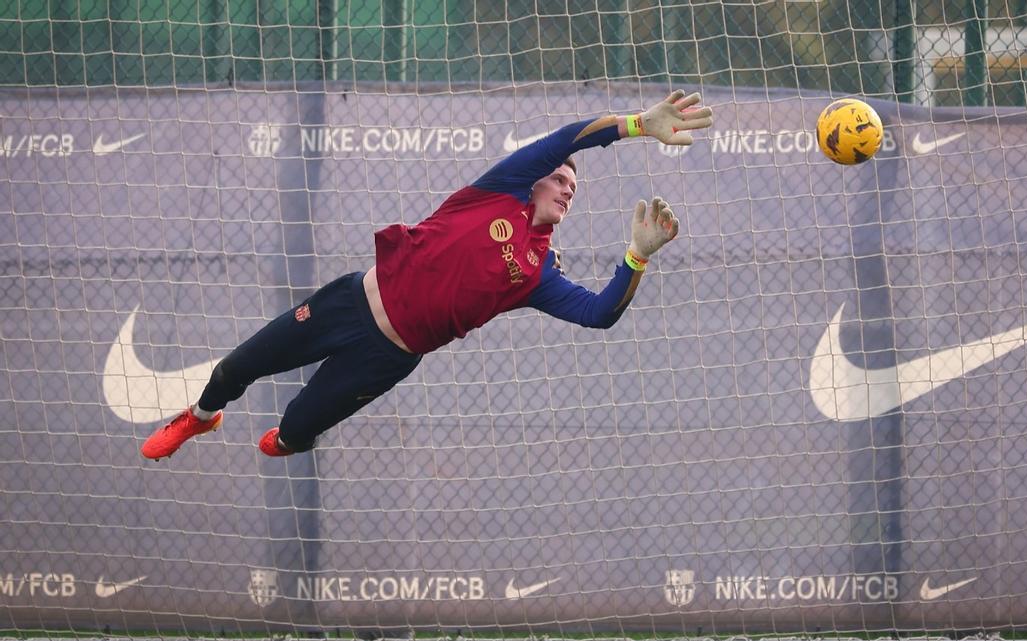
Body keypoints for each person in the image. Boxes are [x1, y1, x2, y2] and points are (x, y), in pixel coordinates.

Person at [140, 90, 713, 460]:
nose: (569, 188)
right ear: (535, 180)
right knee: (234, 368)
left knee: (290, 436)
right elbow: (567, 140)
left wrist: (638, 255)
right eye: (562, 180)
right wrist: (638, 124)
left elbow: (599, 315)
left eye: (575, 190)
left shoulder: (538, 271)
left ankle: (293, 434)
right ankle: (199, 418)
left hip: (386, 356)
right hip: (349, 304)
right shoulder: (499, 189)